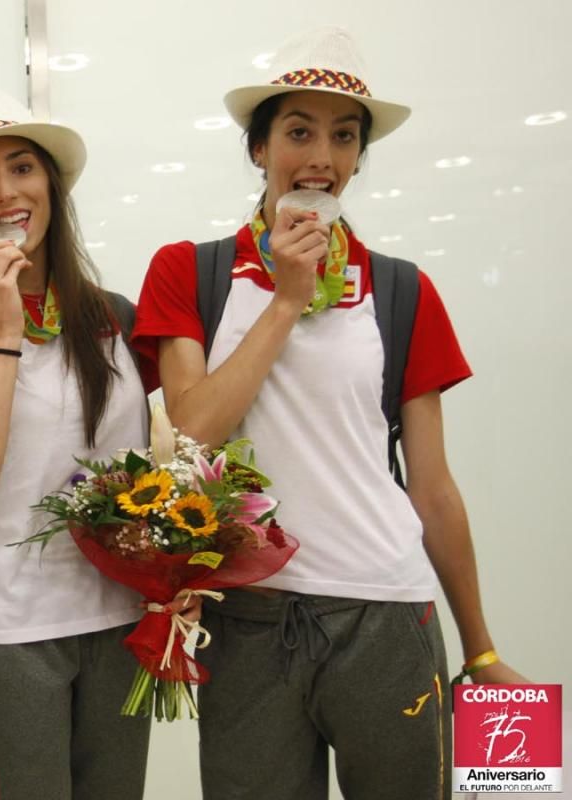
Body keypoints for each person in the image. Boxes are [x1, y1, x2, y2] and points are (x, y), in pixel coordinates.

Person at [133, 26, 526, 800]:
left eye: (344, 137)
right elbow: (193, 430)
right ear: (258, 147)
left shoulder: (402, 290)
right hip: (249, 623)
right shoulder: (191, 271)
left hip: (386, 614)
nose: (322, 155)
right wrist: (285, 297)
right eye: (298, 131)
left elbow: (433, 488)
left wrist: (479, 650)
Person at [0, 88, 158, 800]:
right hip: (10, 633)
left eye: (21, 168)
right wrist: (4, 331)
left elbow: (172, 456)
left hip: (123, 624)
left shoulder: (120, 321)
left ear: (53, 185)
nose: (4, 192)